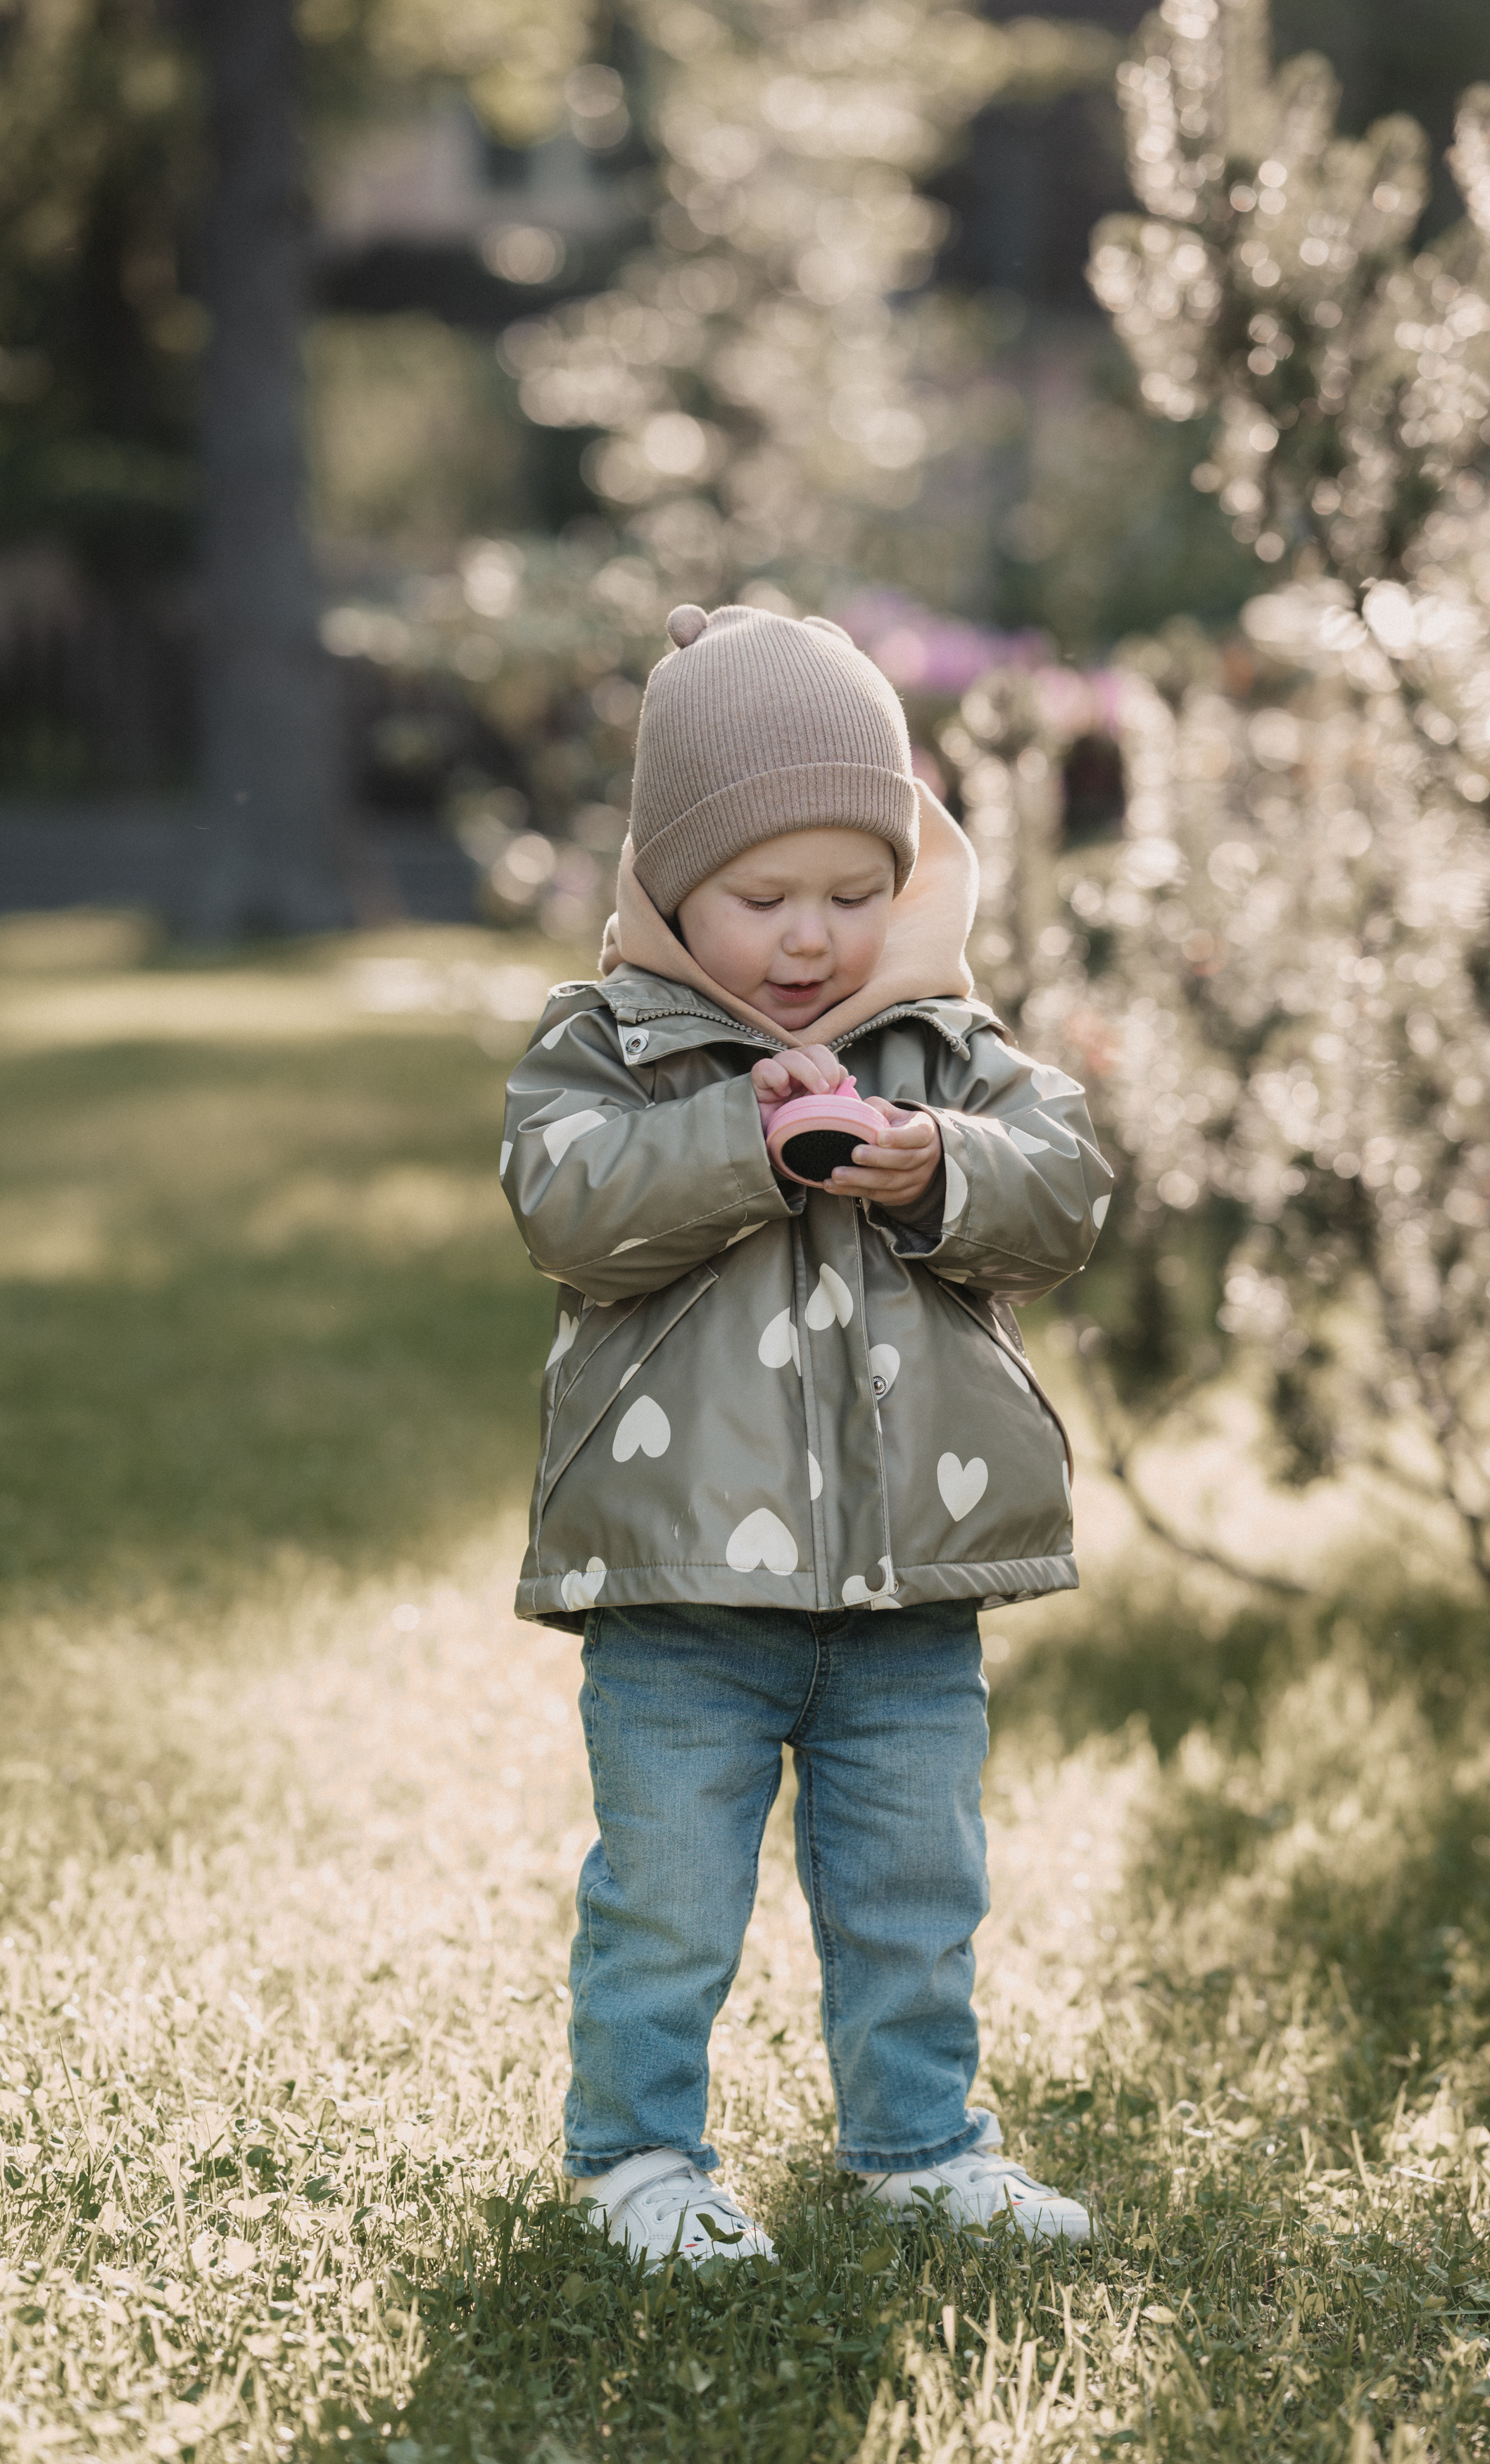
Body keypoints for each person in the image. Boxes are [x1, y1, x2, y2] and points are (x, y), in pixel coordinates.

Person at [500, 601, 1113, 2268]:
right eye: (763, 897)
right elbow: (568, 1206)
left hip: (909, 1585)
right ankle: (639, 2159)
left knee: (920, 1892)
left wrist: (948, 1167)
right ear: (668, 883)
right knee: (668, 1899)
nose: (809, 940)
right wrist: (738, 1139)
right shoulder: (609, 1047)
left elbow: (1063, 1199)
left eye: (856, 893)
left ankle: (920, 2144)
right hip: (681, 1586)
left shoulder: (946, 1050)